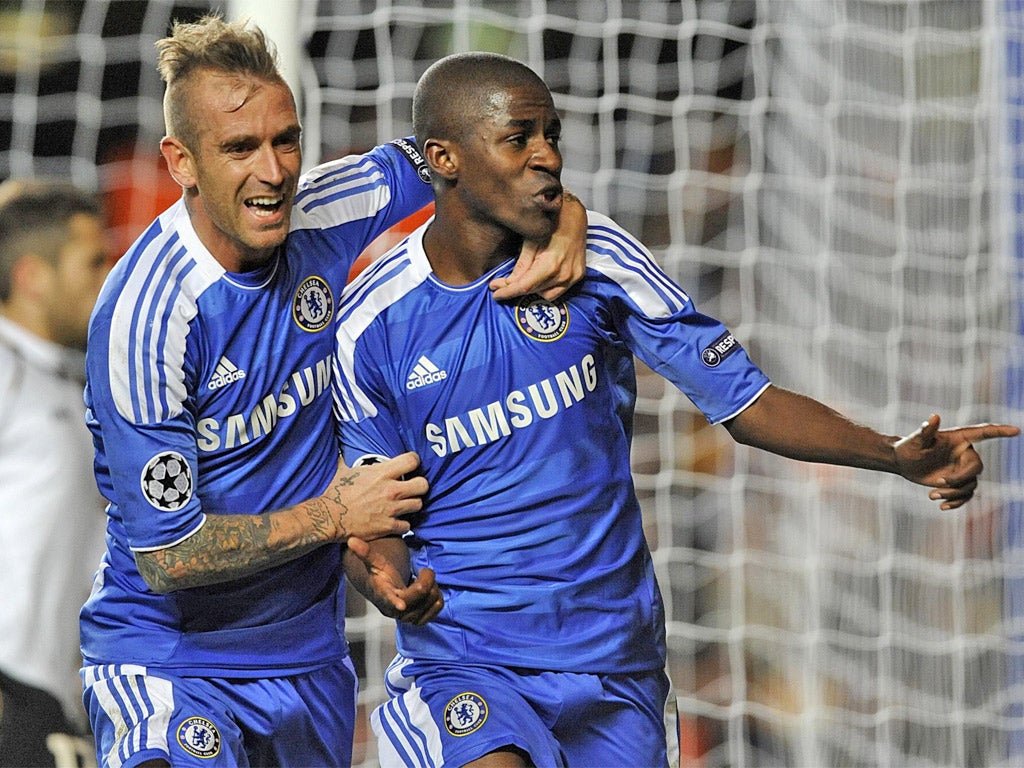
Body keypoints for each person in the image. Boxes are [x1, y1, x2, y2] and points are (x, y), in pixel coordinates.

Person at [333, 52, 1021, 768]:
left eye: (553, 135)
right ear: (443, 157)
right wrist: (385, 578)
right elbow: (372, 510)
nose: (547, 157)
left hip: (615, 658)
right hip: (471, 660)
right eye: (520, 138)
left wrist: (892, 454)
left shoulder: (600, 261)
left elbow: (747, 402)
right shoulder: (370, 326)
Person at [79, 16, 586, 768]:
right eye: (239, 148)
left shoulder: (329, 205)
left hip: (309, 661)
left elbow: (475, 154)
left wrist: (565, 215)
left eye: (286, 140)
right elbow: (168, 556)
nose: (275, 171)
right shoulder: (146, 319)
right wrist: (335, 516)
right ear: (180, 161)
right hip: (170, 659)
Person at [0, 180, 110, 767]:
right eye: (91, 261)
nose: (108, 274)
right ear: (32, 279)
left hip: (55, 700)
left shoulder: (65, 379)